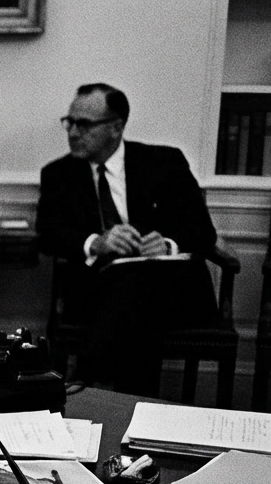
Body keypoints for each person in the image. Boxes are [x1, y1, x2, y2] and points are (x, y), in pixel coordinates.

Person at [37, 84, 218, 396]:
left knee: (138, 285)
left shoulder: (165, 162)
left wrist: (168, 244)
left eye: (85, 124)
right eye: (70, 122)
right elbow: (48, 234)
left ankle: (89, 376)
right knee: (132, 295)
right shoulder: (59, 174)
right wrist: (95, 242)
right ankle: (133, 401)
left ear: (116, 127)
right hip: (100, 292)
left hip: (169, 290)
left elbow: (202, 231)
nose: (73, 133)